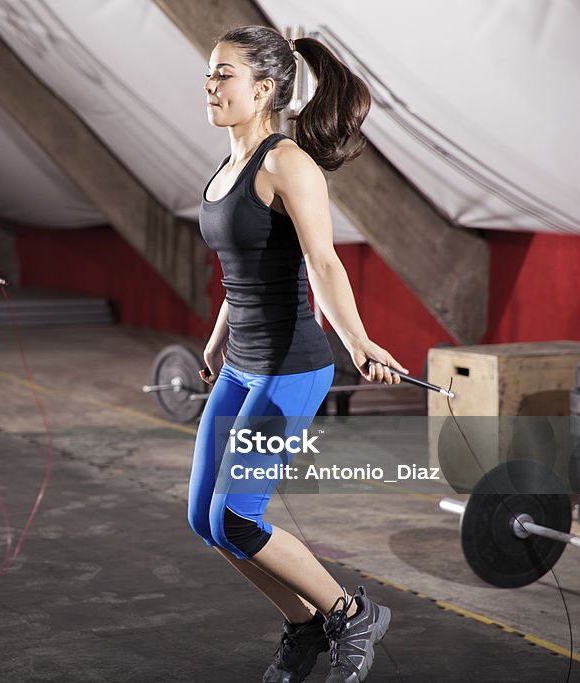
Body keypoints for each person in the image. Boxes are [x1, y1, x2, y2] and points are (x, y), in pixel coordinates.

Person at [189, 26, 409, 683]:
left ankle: (351, 612)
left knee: (237, 515)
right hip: (242, 363)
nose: (210, 83)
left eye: (223, 73)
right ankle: (304, 625)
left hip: (291, 366)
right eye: (209, 71)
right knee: (207, 519)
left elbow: (323, 265)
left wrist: (358, 340)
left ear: (263, 89)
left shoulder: (288, 164)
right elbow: (248, 266)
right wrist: (217, 336)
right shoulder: (228, 165)